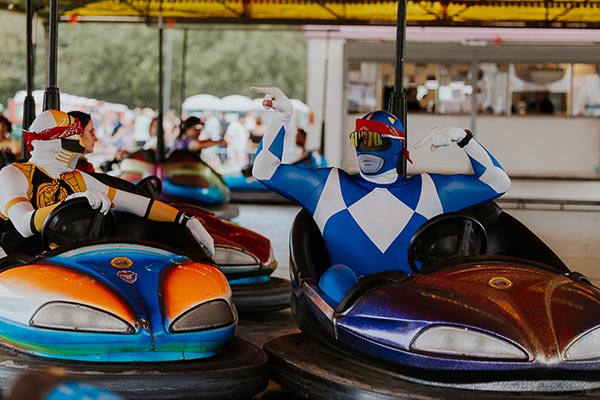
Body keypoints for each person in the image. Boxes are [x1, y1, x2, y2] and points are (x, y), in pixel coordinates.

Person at [251, 87, 510, 303]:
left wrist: (463, 139)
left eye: (375, 141)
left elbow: (498, 182)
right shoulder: (328, 185)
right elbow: (264, 170)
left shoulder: (429, 189)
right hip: (348, 300)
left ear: (397, 147)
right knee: (335, 276)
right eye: (359, 139)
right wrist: (282, 118)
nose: (365, 148)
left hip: (409, 300)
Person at [0, 110, 215, 258]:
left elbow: (137, 204)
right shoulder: (14, 174)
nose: (75, 155)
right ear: (52, 144)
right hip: (13, 266)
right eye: (71, 146)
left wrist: (184, 220)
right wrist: (69, 203)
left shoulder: (76, 179)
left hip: (55, 266)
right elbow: (24, 223)